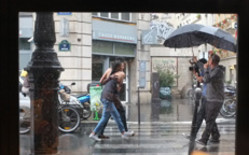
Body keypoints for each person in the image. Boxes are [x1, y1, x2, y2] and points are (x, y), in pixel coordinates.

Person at [89, 60, 134, 142]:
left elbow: (102, 82)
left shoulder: (111, 74)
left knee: (116, 116)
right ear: (118, 67)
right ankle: (93, 133)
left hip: (105, 97)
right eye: (122, 65)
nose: (123, 67)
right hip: (108, 99)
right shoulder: (121, 74)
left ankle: (123, 133)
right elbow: (118, 88)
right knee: (106, 118)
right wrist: (116, 93)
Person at [195, 54, 224, 146]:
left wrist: (206, 69)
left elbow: (207, 79)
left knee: (210, 120)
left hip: (216, 99)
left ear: (212, 61)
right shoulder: (213, 70)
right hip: (210, 98)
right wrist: (199, 78)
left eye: (209, 59)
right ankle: (215, 136)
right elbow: (205, 79)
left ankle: (204, 139)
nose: (208, 61)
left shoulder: (218, 71)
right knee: (208, 118)